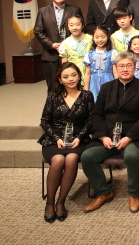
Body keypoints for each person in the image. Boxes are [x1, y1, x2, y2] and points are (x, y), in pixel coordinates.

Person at [81, 52, 139, 214]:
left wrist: (129, 137)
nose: (125, 69)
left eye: (129, 65)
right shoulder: (106, 88)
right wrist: (103, 136)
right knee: (87, 156)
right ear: (115, 68)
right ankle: (103, 191)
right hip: (108, 135)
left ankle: (134, 194)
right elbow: (97, 115)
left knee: (131, 156)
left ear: (135, 68)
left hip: (135, 135)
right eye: (121, 66)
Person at [38, 62, 94, 222]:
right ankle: (50, 203)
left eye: (74, 75)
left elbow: (91, 120)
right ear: (60, 79)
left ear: (79, 76)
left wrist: (79, 137)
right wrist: (57, 139)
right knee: (58, 160)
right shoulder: (53, 96)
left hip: (78, 139)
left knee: (71, 159)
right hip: (54, 139)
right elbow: (44, 121)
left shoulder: (86, 95)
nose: (71, 79)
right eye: (66, 76)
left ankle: (60, 202)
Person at [34, 0, 83, 92]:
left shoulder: (75, 10)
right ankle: (53, 109)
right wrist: (51, 44)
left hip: (72, 55)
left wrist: (69, 45)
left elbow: (80, 29)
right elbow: (38, 31)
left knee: (73, 86)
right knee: (52, 87)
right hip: (50, 55)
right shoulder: (43, 11)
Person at [83, 27, 117, 101]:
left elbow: (115, 71)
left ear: (107, 37)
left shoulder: (112, 53)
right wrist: (86, 89)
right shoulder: (89, 54)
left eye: (103, 37)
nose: (100, 39)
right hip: (93, 83)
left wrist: (118, 85)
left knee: (109, 100)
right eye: (97, 37)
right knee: (94, 101)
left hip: (109, 81)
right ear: (93, 38)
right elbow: (88, 74)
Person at [58, 14, 92, 83]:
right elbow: (65, 61)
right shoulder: (65, 43)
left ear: (82, 26)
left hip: (90, 71)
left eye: (77, 24)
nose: (74, 27)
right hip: (74, 74)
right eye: (71, 25)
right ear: (68, 27)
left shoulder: (90, 39)